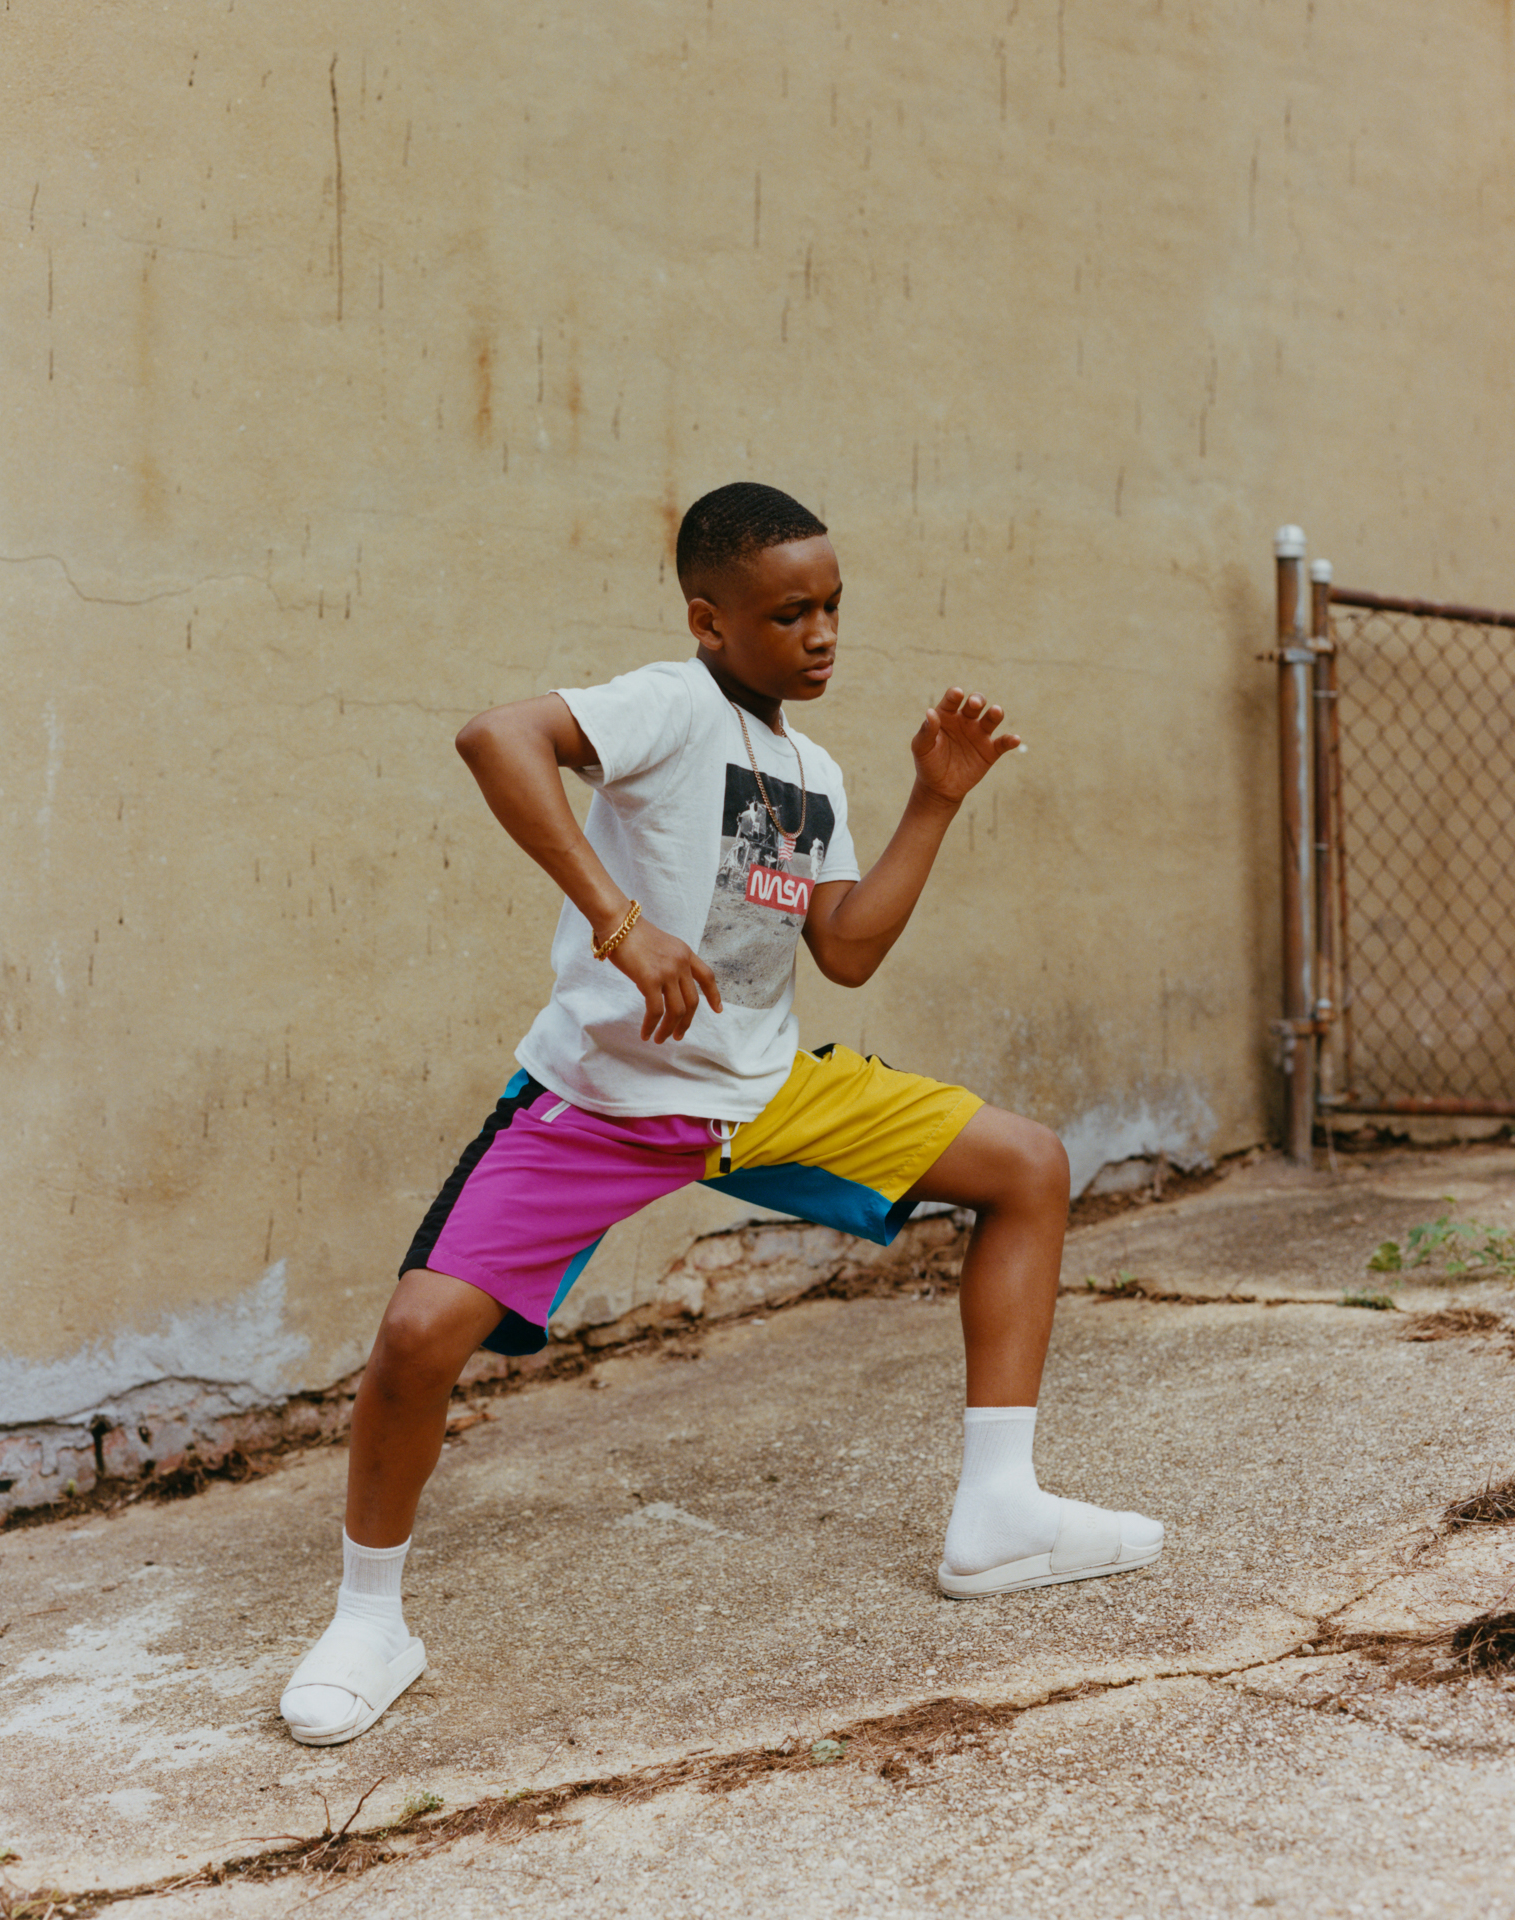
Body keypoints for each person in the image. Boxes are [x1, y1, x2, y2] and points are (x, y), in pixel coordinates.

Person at [279, 482, 1162, 1746]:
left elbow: (845, 950)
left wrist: (935, 799)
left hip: (764, 1092)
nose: (823, 635)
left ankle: (1000, 1513)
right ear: (710, 620)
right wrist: (621, 923)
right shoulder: (673, 705)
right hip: (606, 1102)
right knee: (419, 1335)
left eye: (834, 607)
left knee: (1027, 1165)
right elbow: (496, 738)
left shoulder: (812, 769)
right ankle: (371, 1621)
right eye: (790, 613)